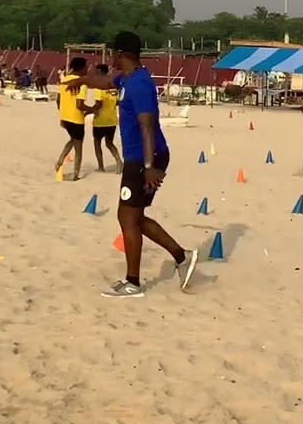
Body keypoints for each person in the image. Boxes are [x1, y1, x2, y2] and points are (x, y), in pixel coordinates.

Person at [68, 31, 197, 298]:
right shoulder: (126, 78)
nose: (111, 58)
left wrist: (150, 166)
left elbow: (147, 126)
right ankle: (182, 257)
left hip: (144, 157)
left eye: (113, 53)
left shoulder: (140, 84)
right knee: (133, 216)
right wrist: (80, 80)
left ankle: (133, 283)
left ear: (121, 54)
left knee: (126, 217)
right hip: (139, 157)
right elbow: (103, 82)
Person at [55, 57, 92, 181]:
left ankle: (60, 161)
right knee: (78, 148)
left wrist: (62, 116)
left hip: (65, 117)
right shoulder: (81, 83)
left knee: (72, 140)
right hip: (76, 119)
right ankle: (76, 174)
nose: (87, 69)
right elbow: (80, 105)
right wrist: (92, 109)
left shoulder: (64, 80)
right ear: (81, 68)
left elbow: (58, 100)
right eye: (86, 67)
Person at [89, 64, 122, 172]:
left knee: (97, 142)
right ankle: (119, 162)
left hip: (100, 120)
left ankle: (101, 166)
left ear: (100, 72)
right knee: (109, 143)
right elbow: (117, 101)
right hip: (112, 119)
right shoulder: (113, 86)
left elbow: (98, 103)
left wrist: (88, 111)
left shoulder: (99, 86)